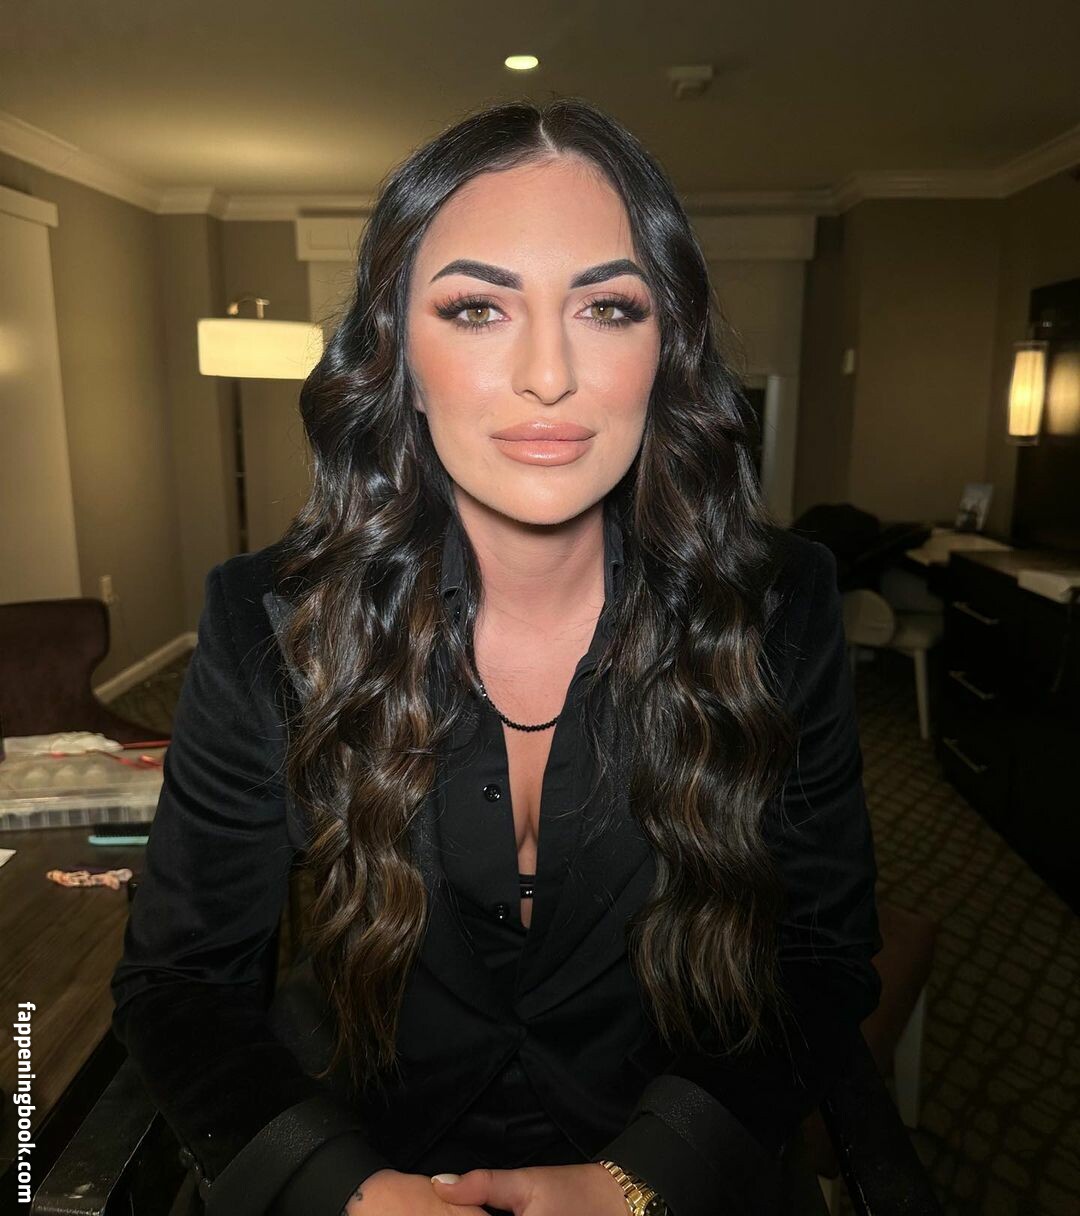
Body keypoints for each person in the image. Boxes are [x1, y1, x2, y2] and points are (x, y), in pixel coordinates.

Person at [110, 96, 882, 1216]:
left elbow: (818, 951)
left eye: (607, 307)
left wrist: (648, 1175)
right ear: (398, 355)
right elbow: (181, 981)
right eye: (477, 308)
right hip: (359, 1152)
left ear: (666, 350)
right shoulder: (267, 620)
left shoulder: (780, 606)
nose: (548, 374)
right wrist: (344, 1188)